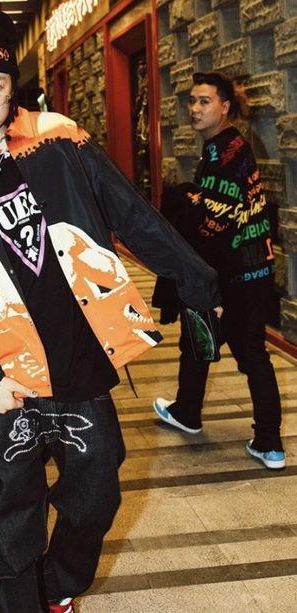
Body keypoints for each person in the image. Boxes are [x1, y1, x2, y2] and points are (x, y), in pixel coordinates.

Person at [0, 7, 220, 612]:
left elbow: (130, 213)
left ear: (12, 88)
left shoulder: (59, 140)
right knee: (12, 519)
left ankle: (57, 586)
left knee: (97, 492)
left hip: (78, 355)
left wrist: (196, 278)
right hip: (8, 371)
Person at [152, 72, 285, 470]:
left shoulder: (227, 151)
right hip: (251, 269)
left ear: (225, 107)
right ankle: (255, 438)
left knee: (227, 345)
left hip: (234, 272)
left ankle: (262, 438)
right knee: (211, 344)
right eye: (192, 101)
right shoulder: (224, 147)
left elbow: (215, 220)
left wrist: (185, 200)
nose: (194, 109)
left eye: (204, 101)